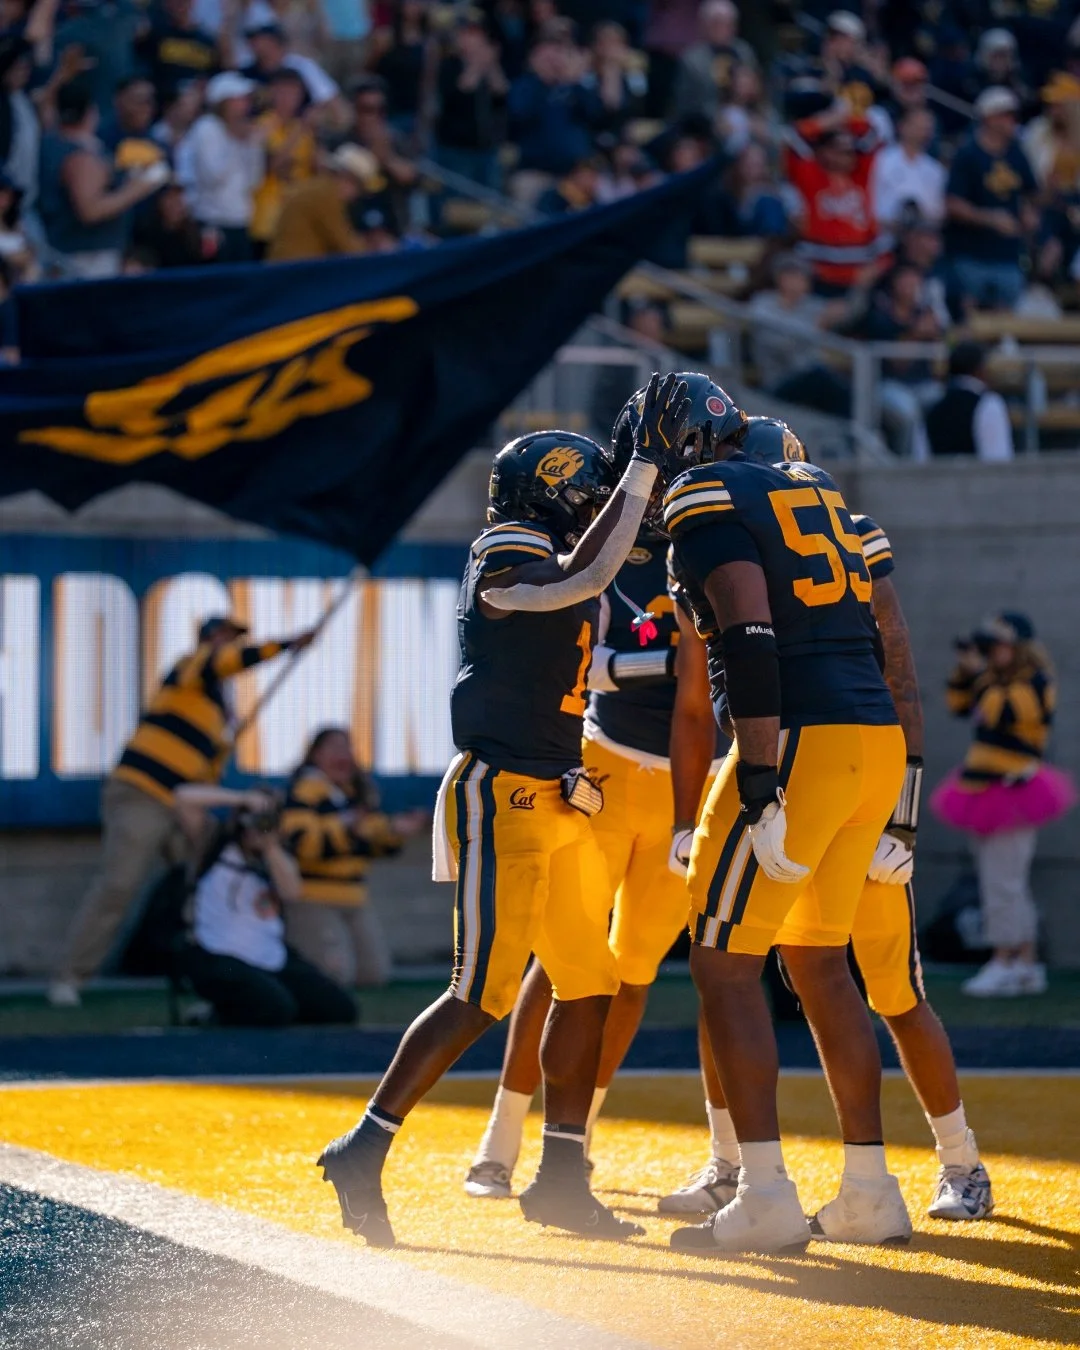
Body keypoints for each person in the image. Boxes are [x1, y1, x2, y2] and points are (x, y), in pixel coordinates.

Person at [317, 379, 691, 1249]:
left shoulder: (553, 559)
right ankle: (362, 1147)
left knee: (590, 984)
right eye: (586, 493)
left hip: (563, 794)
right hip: (505, 793)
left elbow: (598, 629)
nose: (594, 507)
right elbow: (586, 573)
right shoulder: (506, 549)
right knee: (478, 994)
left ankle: (560, 1176)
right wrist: (642, 467)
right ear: (552, 492)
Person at [659, 416, 994, 1225]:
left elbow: (868, 655)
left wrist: (889, 820)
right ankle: (802, 1176)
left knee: (761, 967)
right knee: (807, 964)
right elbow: (892, 670)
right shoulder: (828, 520)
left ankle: (945, 1164)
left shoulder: (733, 515)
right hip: (861, 755)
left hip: (804, 752)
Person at [463, 376, 727, 1202]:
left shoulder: (713, 536)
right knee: (562, 962)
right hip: (603, 765)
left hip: (686, 779)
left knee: (633, 972)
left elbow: (711, 686)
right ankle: (501, 1141)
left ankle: (571, 1144)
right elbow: (584, 658)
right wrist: (666, 662)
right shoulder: (605, 535)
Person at [48, 615, 315, 1007]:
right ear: (209, 639)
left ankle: (211, 983)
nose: (230, 644)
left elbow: (206, 775)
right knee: (119, 884)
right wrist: (286, 645)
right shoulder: (190, 667)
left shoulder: (218, 711)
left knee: (207, 884)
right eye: (225, 637)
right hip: (143, 794)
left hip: (182, 806)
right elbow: (224, 662)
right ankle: (70, 977)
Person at [932, 613, 1075, 998]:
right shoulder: (992, 680)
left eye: (997, 645)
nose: (991, 653)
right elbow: (959, 704)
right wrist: (967, 670)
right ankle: (1025, 965)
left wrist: (980, 674)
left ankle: (1005, 961)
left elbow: (1002, 712)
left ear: (1018, 646)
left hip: (1013, 790)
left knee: (1002, 881)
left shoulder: (1035, 681)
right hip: (984, 789)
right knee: (1005, 880)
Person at [175, 784, 357, 1028]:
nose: (257, 826)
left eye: (267, 818)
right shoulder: (212, 845)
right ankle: (215, 1014)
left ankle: (254, 1006)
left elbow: (291, 892)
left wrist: (270, 846)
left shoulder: (278, 855)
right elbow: (183, 798)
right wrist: (243, 799)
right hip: (217, 956)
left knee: (340, 1009)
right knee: (275, 1009)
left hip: (269, 956)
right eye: (252, 819)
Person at [281, 726, 427, 988]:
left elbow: (371, 840)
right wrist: (347, 829)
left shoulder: (355, 794)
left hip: (354, 897)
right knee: (335, 975)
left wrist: (395, 831)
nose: (344, 754)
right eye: (334, 747)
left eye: (347, 747)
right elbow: (301, 844)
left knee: (373, 974)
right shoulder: (304, 790)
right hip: (312, 898)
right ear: (315, 755)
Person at [38, 79, 167, 279]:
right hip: (85, 258)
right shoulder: (79, 156)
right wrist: (139, 188)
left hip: (78, 253)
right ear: (91, 112)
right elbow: (90, 211)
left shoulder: (52, 140)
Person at [945, 87, 1040, 312]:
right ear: (989, 118)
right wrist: (989, 218)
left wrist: (1029, 213)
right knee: (968, 315)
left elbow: (1031, 194)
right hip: (971, 255)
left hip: (1008, 255)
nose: (1012, 121)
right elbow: (952, 203)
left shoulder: (1017, 154)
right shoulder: (967, 154)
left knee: (1006, 318)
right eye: (1006, 115)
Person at [784, 103, 888, 296]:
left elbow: (872, 136)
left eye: (849, 151)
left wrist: (849, 118)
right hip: (818, 275)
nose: (846, 156)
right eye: (838, 149)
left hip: (859, 277)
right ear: (823, 151)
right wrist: (829, 121)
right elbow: (794, 138)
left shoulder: (860, 177)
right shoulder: (811, 175)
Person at [747, 253, 853, 417]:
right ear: (782, 278)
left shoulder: (810, 305)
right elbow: (779, 343)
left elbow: (849, 312)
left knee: (845, 384)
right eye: (796, 276)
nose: (802, 282)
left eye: (804, 277)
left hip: (811, 377)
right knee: (820, 376)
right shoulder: (763, 304)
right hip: (780, 379)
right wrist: (817, 326)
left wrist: (860, 288)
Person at [179, 70, 264, 262]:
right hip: (212, 222)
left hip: (240, 221)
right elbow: (212, 178)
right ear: (223, 102)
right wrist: (234, 140)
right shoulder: (205, 128)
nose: (245, 105)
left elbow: (254, 182)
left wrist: (253, 146)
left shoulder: (246, 130)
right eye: (239, 99)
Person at [507, 35, 603, 202]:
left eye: (557, 55)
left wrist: (573, 82)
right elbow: (520, 115)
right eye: (546, 57)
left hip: (575, 176)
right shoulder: (524, 86)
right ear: (533, 58)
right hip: (535, 173)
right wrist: (543, 82)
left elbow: (595, 115)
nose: (553, 62)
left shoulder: (576, 87)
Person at [266, 141, 380, 259]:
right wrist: (374, 251)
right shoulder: (325, 196)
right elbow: (344, 243)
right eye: (359, 189)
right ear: (348, 179)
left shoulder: (319, 187)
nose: (356, 196)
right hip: (294, 267)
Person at [433, 15, 509, 191]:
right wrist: (476, 65)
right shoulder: (449, 65)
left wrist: (492, 66)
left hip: (487, 148)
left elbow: (501, 94)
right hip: (456, 148)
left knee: (490, 199)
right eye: (466, 34)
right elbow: (458, 93)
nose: (472, 40)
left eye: (476, 35)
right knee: (458, 198)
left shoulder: (489, 66)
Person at [250, 66, 316, 252]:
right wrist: (300, 131)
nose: (288, 98)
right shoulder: (261, 126)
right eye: (283, 91)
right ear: (272, 92)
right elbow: (271, 165)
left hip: (298, 221)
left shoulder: (305, 130)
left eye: (294, 92)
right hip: (266, 222)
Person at [670, 0, 757, 126]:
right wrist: (715, 119)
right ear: (704, 25)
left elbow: (758, 93)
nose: (723, 29)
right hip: (704, 123)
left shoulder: (744, 52)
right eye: (717, 23)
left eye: (728, 23)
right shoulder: (691, 60)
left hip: (746, 117)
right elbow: (686, 104)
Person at [925, 341, 1015, 461]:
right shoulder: (989, 403)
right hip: (978, 473)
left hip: (940, 473)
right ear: (980, 369)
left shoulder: (931, 408)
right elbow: (998, 459)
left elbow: (922, 459)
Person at [871, 107, 947, 231]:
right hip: (881, 233)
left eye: (927, 128)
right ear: (902, 126)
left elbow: (938, 213)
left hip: (920, 233)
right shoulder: (880, 160)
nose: (923, 132)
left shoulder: (936, 170)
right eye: (918, 126)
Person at [137, 0, 219, 102]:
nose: (180, 6)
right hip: (163, 98)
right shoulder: (155, 34)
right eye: (175, 2)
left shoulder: (206, 41)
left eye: (183, 2)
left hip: (196, 100)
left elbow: (213, 73)